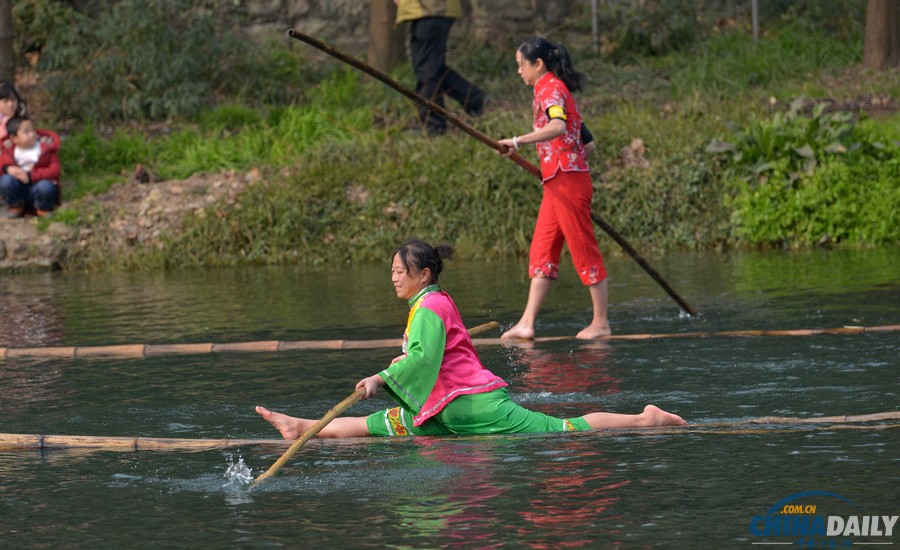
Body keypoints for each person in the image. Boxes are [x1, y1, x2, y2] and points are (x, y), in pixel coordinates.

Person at [256, 239, 685, 439]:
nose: (394, 278)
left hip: (469, 403)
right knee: (382, 425)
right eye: (391, 272)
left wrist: (381, 378)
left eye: (400, 272)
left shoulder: (428, 308)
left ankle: (645, 420)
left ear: (423, 275)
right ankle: (302, 426)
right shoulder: (432, 303)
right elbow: (429, 355)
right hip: (445, 406)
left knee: (561, 429)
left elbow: (423, 359)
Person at [497, 37, 609, 341]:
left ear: (538, 64)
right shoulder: (555, 90)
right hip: (556, 181)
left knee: (583, 248)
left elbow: (559, 127)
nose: (519, 71)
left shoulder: (550, 88)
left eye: (521, 64)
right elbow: (589, 143)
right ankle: (527, 323)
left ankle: (600, 322)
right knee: (543, 250)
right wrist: (551, 152)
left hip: (568, 181)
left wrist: (519, 142)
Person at [394, 0, 486, 135]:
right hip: (428, 10)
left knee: (427, 71)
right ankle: (474, 100)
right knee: (431, 68)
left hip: (430, 9)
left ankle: (433, 125)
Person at [0, 116, 61, 218]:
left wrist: (30, 176)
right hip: (19, 189)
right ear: (14, 138)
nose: (32, 134)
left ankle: (43, 208)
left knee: (46, 187)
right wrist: (7, 169)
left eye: (33, 130)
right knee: (5, 180)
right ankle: (16, 205)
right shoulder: (8, 150)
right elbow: (1, 164)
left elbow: (55, 170)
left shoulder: (45, 148)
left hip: (38, 188)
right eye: (26, 132)